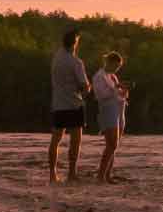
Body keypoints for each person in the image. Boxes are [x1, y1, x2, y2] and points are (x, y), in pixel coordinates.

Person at [47, 27, 90, 183]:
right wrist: (86, 89)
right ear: (74, 43)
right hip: (73, 104)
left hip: (58, 103)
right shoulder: (76, 62)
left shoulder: (56, 58)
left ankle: (52, 174)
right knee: (75, 140)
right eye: (77, 42)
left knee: (55, 139)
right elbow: (85, 87)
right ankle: (72, 173)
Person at [92, 51, 130, 182]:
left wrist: (123, 91)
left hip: (119, 111)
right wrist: (116, 88)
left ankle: (108, 174)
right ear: (109, 62)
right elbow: (100, 95)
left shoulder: (113, 77)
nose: (117, 69)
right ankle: (101, 175)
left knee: (115, 144)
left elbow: (118, 95)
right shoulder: (99, 76)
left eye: (119, 67)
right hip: (108, 111)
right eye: (116, 66)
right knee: (111, 143)